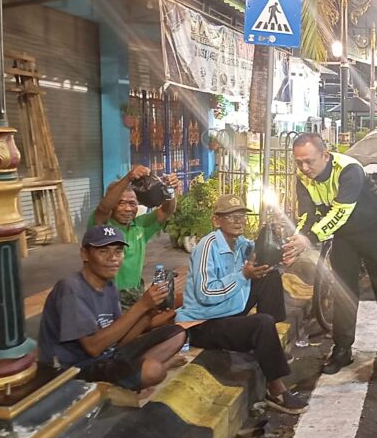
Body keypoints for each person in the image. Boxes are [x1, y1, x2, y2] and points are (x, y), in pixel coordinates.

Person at [282, 133, 377, 375]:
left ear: (325, 156)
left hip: (373, 228)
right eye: (299, 162)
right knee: (344, 291)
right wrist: (299, 237)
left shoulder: (349, 170)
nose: (304, 168)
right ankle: (342, 349)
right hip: (344, 234)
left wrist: (311, 237)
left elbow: (341, 212)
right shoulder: (303, 178)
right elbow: (306, 213)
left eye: (309, 161)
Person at [176, 194, 307, 415]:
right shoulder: (207, 247)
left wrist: (276, 236)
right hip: (204, 321)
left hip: (228, 309)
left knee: (270, 277)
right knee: (261, 322)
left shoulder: (240, 243)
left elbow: (264, 253)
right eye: (231, 217)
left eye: (241, 216)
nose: (238, 221)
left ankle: (269, 346)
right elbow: (205, 293)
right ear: (217, 220)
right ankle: (275, 390)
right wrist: (243, 275)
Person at [38, 225, 186, 391]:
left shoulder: (109, 286)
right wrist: (141, 305)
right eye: (103, 251)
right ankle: (149, 370)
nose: (113, 258)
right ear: (85, 254)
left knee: (177, 334)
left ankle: (135, 373)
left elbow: (119, 341)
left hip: (108, 356)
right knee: (153, 371)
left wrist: (148, 314)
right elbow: (93, 348)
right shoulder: (71, 288)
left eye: (118, 251)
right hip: (74, 369)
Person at [90, 165, 179, 310]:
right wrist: (128, 178)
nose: (128, 208)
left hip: (136, 296)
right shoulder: (102, 227)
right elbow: (103, 209)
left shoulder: (140, 226)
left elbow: (166, 211)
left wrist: (170, 190)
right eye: (121, 203)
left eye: (132, 203)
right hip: (107, 299)